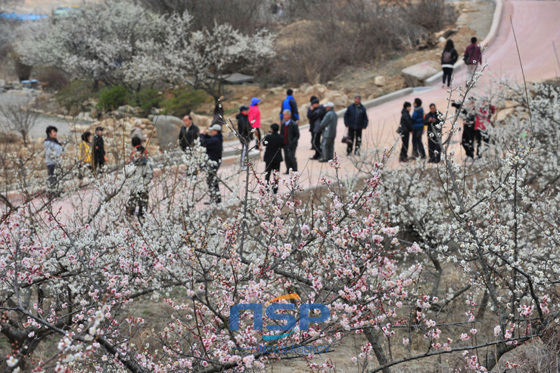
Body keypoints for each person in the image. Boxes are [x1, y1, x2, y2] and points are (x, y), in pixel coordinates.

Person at [126, 136, 153, 218]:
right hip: (135, 184)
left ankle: (140, 214)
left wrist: (144, 182)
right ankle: (133, 213)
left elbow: (149, 174)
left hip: (141, 184)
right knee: (134, 200)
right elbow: (128, 172)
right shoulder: (134, 163)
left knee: (141, 200)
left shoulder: (145, 163)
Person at [200, 124, 223, 204]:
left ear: (216, 131)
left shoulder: (216, 140)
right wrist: (206, 135)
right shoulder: (217, 138)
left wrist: (201, 135)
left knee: (211, 180)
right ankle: (215, 198)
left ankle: (216, 198)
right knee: (211, 179)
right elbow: (210, 139)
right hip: (213, 161)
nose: (211, 132)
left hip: (214, 162)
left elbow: (204, 143)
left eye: (212, 130)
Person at [263, 123, 284, 194]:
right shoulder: (281, 137)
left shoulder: (268, 137)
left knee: (267, 174)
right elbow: (283, 145)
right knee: (276, 174)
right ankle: (275, 188)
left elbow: (264, 143)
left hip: (269, 158)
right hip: (277, 158)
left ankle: (266, 187)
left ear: (271, 129)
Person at [44, 126, 64, 197]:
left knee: (58, 178)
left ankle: (58, 192)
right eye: (53, 132)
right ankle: (51, 194)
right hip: (51, 163)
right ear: (49, 134)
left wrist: (62, 153)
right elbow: (49, 152)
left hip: (58, 163)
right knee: (52, 178)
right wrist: (57, 155)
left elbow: (61, 149)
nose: (55, 133)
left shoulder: (56, 142)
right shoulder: (48, 142)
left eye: (56, 132)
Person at [281, 109, 300, 174]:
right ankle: (288, 170)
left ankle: (295, 170)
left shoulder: (293, 124)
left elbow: (297, 135)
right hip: (285, 144)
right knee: (286, 157)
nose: (284, 116)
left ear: (289, 115)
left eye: (286, 115)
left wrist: (293, 142)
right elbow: (281, 134)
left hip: (292, 144)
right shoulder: (283, 124)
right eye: (284, 115)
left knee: (291, 157)